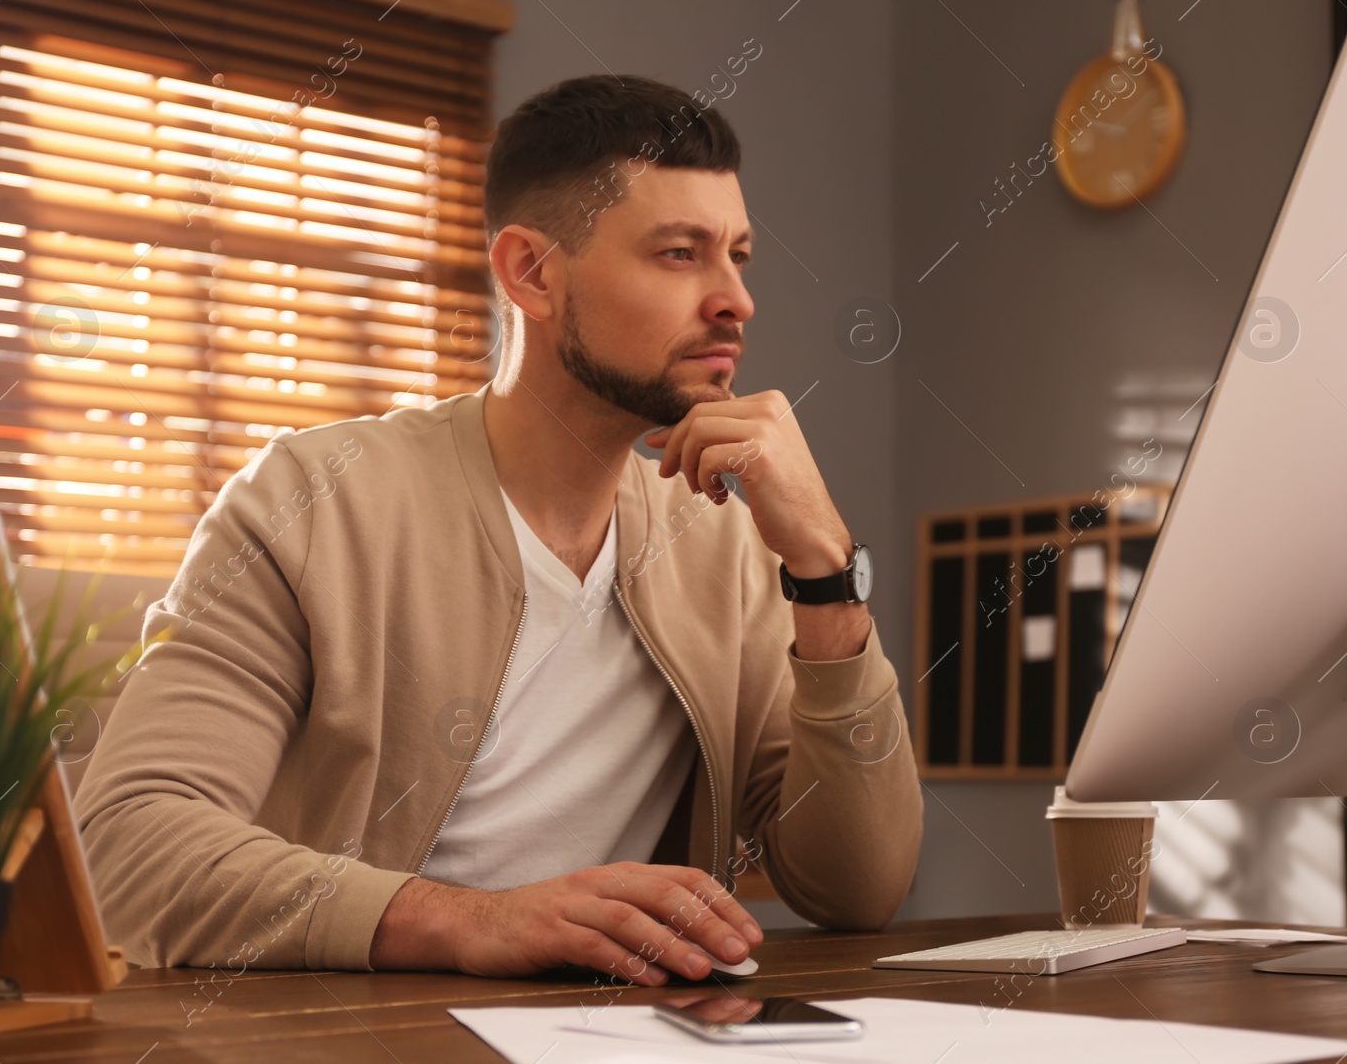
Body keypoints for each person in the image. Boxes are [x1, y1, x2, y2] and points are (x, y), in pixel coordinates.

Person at [74, 74, 921, 987]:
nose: (735, 301)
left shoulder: (723, 544)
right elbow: (131, 844)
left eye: (739, 257)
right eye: (680, 253)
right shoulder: (313, 500)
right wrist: (477, 921)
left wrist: (826, 570)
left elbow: (857, 889)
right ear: (531, 273)